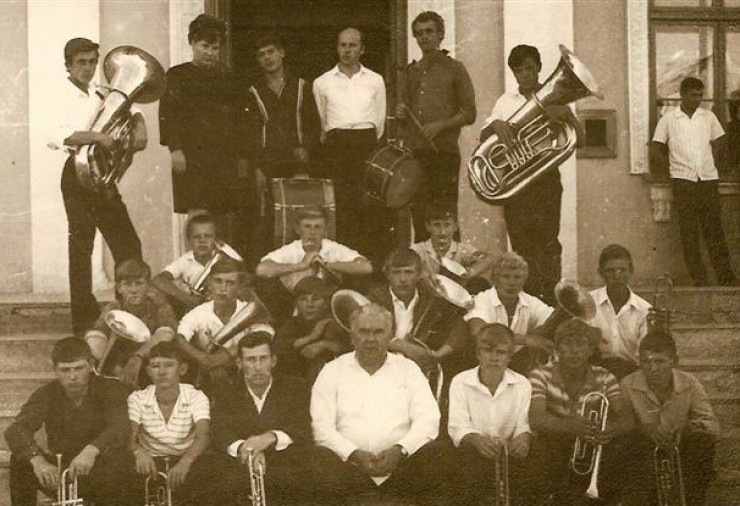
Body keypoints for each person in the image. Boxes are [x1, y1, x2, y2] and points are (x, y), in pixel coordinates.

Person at [311, 303, 461, 505]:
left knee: (439, 453)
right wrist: (354, 454)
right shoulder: (332, 371)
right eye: (363, 331)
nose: (370, 339)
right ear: (352, 337)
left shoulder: (408, 369)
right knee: (317, 458)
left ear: (390, 336)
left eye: (378, 332)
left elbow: (428, 419)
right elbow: (321, 428)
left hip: (402, 468)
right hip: (349, 470)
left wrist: (400, 450)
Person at [47, 37, 146, 336]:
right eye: (81, 62)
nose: (88, 68)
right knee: (81, 250)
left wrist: (140, 124)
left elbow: (131, 110)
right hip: (76, 173)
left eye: (92, 62)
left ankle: (127, 312)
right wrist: (97, 137)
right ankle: (83, 323)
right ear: (68, 65)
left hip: (102, 174)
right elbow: (55, 136)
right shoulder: (58, 94)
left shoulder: (100, 92)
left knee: (128, 245)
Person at [191, 332, 346, 505]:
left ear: (273, 361)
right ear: (239, 363)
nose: (257, 367)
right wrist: (246, 449)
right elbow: (221, 431)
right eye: (251, 360)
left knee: (322, 461)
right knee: (206, 471)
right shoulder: (226, 392)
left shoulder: (296, 387)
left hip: (286, 462)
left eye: (263, 358)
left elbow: (303, 427)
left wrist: (270, 438)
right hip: (241, 464)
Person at [484, 45, 583, 305]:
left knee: (548, 244)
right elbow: (485, 138)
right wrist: (496, 125)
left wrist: (567, 115)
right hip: (516, 183)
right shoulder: (505, 101)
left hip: (546, 181)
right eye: (518, 70)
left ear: (539, 67)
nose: (524, 74)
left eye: (529, 68)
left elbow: (580, 140)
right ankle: (527, 304)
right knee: (521, 245)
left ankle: (551, 303)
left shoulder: (557, 97)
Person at [4, 338, 135, 506]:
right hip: (64, 472)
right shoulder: (47, 393)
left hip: (103, 471)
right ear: (55, 371)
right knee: (20, 461)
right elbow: (16, 430)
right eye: (65, 370)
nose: (73, 376)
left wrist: (91, 450)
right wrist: (38, 461)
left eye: (78, 368)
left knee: (121, 460)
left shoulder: (110, 388)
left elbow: (120, 426)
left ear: (90, 365)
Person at [159, 14, 248, 250]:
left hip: (223, 156)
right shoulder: (176, 75)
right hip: (191, 157)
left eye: (215, 48)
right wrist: (175, 149)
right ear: (192, 43)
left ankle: (218, 269)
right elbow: (168, 115)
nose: (209, 53)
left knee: (221, 214)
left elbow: (239, 120)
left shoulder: (228, 77)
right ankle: (192, 266)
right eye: (204, 46)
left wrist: (241, 156)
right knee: (197, 214)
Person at [528, 319, 640, 505]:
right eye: (567, 344)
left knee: (627, 445)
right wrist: (568, 426)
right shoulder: (540, 375)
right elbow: (536, 418)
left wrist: (613, 429)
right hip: (554, 447)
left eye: (580, 344)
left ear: (590, 350)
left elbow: (627, 418)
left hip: (589, 446)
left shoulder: (605, 377)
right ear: (557, 349)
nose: (574, 350)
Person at [650, 77, 737, 286]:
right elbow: (655, 148)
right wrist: (671, 168)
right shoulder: (669, 119)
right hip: (683, 182)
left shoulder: (708, 117)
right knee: (689, 233)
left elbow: (721, 142)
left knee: (715, 230)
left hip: (707, 180)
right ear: (682, 95)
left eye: (700, 95)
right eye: (693, 95)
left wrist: (716, 163)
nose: (697, 99)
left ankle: (726, 278)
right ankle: (700, 279)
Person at [397, 11, 476, 240]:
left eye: (429, 31)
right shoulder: (410, 72)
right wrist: (400, 114)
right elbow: (404, 116)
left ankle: (450, 264)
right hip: (416, 156)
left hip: (444, 154)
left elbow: (469, 113)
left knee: (445, 216)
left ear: (440, 34)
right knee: (420, 217)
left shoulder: (455, 68)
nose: (424, 37)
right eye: (419, 33)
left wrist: (440, 125)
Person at [620, 331, 720, 506]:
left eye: (659, 361)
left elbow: (712, 425)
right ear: (639, 362)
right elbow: (621, 425)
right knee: (631, 444)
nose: (653, 369)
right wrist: (646, 429)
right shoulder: (628, 384)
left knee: (702, 443)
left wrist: (686, 427)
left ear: (674, 361)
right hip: (645, 451)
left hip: (680, 447)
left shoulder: (689, 383)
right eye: (646, 361)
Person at [313, 26, 386, 255]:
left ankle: (368, 261)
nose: (347, 50)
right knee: (342, 205)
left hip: (366, 144)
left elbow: (379, 120)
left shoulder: (375, 80)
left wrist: (365, 140)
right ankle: (344, 262)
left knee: (368, 204)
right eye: (342, 45)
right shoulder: (322, 82)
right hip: (337, 146)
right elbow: (322, 120)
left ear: (362, 49)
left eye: (352, 45)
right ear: (337, 48)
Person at [448, 324, 532, 506]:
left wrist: (523, 437)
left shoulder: (522, 383)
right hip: (473, 451)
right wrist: (476, 439)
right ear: (478, 353)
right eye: (487, 351)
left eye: (501, 352)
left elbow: (523, 423)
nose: (494, 358)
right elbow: (457, 426)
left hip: (509, 451)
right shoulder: (460, 381)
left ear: (510, 356)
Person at [367, 248, 467, 387]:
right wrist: (404, 347)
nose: (403, 279)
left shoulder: (431, 298)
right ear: (387, 274)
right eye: (396, 272)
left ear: (419, 274)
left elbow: (459, 328)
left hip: (417, 372)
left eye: (408, 272)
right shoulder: (374, 298)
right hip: (380, 367)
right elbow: (364, 332)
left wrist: (438, 354)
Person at [128, 342, 210, 504]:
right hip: (151, 460)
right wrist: (138, 452)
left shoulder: (196, 396)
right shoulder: (137, 398)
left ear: (182, 369)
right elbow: (129, 437)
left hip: (187, 457)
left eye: (169, 365)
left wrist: (185, 462)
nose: (162, 372)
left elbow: (204, 436)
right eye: (155, 366)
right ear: (148, 371)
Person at [256, 205, 372, 319]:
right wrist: (301, 265)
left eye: (318, 227)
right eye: (307, 226)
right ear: (297, 229)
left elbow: (366, 267)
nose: (312, 232)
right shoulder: (290, 250)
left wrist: (326, 264)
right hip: (293, 308)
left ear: (325, 230)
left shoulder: (334, 248)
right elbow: (261, 270)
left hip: (329, 310)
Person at [173, 257, 274, 388]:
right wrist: (205, 360)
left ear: (239, 287)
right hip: (209, 377)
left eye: (230, 283)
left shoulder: (251, 312)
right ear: (209, 283)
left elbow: (264, 336)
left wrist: (218, 360)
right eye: (218, 281)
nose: (223, 288)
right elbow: (180, 339)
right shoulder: (198, 313)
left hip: (245, 376)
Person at [84, 259, 178, 387]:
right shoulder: (112, 307)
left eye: (139, 283)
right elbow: (94, 338)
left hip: (149, 366)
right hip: (115, 368)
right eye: (127, 284)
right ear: (119, 288)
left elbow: (167, 333)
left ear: (148, 286)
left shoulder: (160, 307)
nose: (134, 290)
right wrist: (117, 369)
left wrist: (137, 357)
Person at [464, 251, 555, 374]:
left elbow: (552, 319)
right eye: (506, 276)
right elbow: (479, 331)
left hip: (517, 366)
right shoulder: (482, 299)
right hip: (483, 366)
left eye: (517, 277)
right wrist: (527, 340)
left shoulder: (530, 301)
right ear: (495, 279)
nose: (512, 282)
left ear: (524, 280)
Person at [152, 212, 244, 316]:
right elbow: (158, 280)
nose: (202, 241)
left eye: (207, 236)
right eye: (197, 237)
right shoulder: (185, 261)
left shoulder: (224, 258)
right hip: (196, 312)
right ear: (189, 240)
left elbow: (244, 280)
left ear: (215, 239)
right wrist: (186, 298)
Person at [589, 244, 651, 379]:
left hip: (631, 374)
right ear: (601, 272)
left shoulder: (644, 310)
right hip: (592, 374)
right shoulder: (588, 302)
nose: (617, 276)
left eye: (622, 270)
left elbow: (643, 355)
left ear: (631, 271)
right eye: (610, 271)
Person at [273, 276, 350, 382]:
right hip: (297, 382)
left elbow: (350, 347)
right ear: (296, 304)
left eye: (316, 299)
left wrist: (325, 344)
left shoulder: (336, 323)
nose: (310, 305)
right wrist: (311, 337)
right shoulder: (292, 324)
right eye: (303, 299)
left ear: (326, 303)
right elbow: (277, 348)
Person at [410, 201, 492, 292]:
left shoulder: (462, 249)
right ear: (428, 226)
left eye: (447, 225)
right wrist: (422, 275)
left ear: (455, 227)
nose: (442, 231)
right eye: (437, 225)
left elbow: (487, 259)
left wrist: (470, 272)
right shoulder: (418, 249)